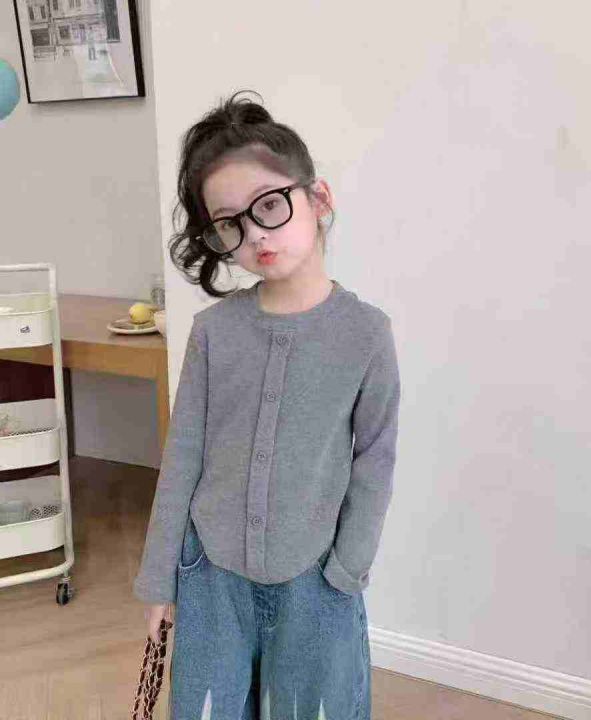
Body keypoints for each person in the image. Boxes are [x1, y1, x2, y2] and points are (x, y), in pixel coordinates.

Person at [133, 89, 402, 720]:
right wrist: (160, 579)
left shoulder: (366, 334)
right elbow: (183, 456)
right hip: (209, 574)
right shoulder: (213, 332)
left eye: (270, 205)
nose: (255, 234)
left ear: (318, 198)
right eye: (230, 223)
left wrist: (347, 570)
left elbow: (375, 459)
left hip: (316, 579)